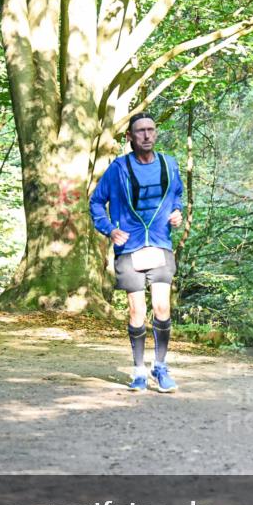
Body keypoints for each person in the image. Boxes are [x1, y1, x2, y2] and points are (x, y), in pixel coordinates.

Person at [90, 112, 184, 392]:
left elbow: (176, 195)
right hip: (130, 248)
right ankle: (139, 370)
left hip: (160, 245)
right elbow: (96, 202)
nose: (146, 135)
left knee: (162, 307)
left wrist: (176, 212)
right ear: (129, 137)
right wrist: (109, 229)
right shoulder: (118, 168)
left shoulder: (169, 164)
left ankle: (161, 366)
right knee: (137, 311)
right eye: (140, 131)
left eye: (150, 130)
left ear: (156, 133)